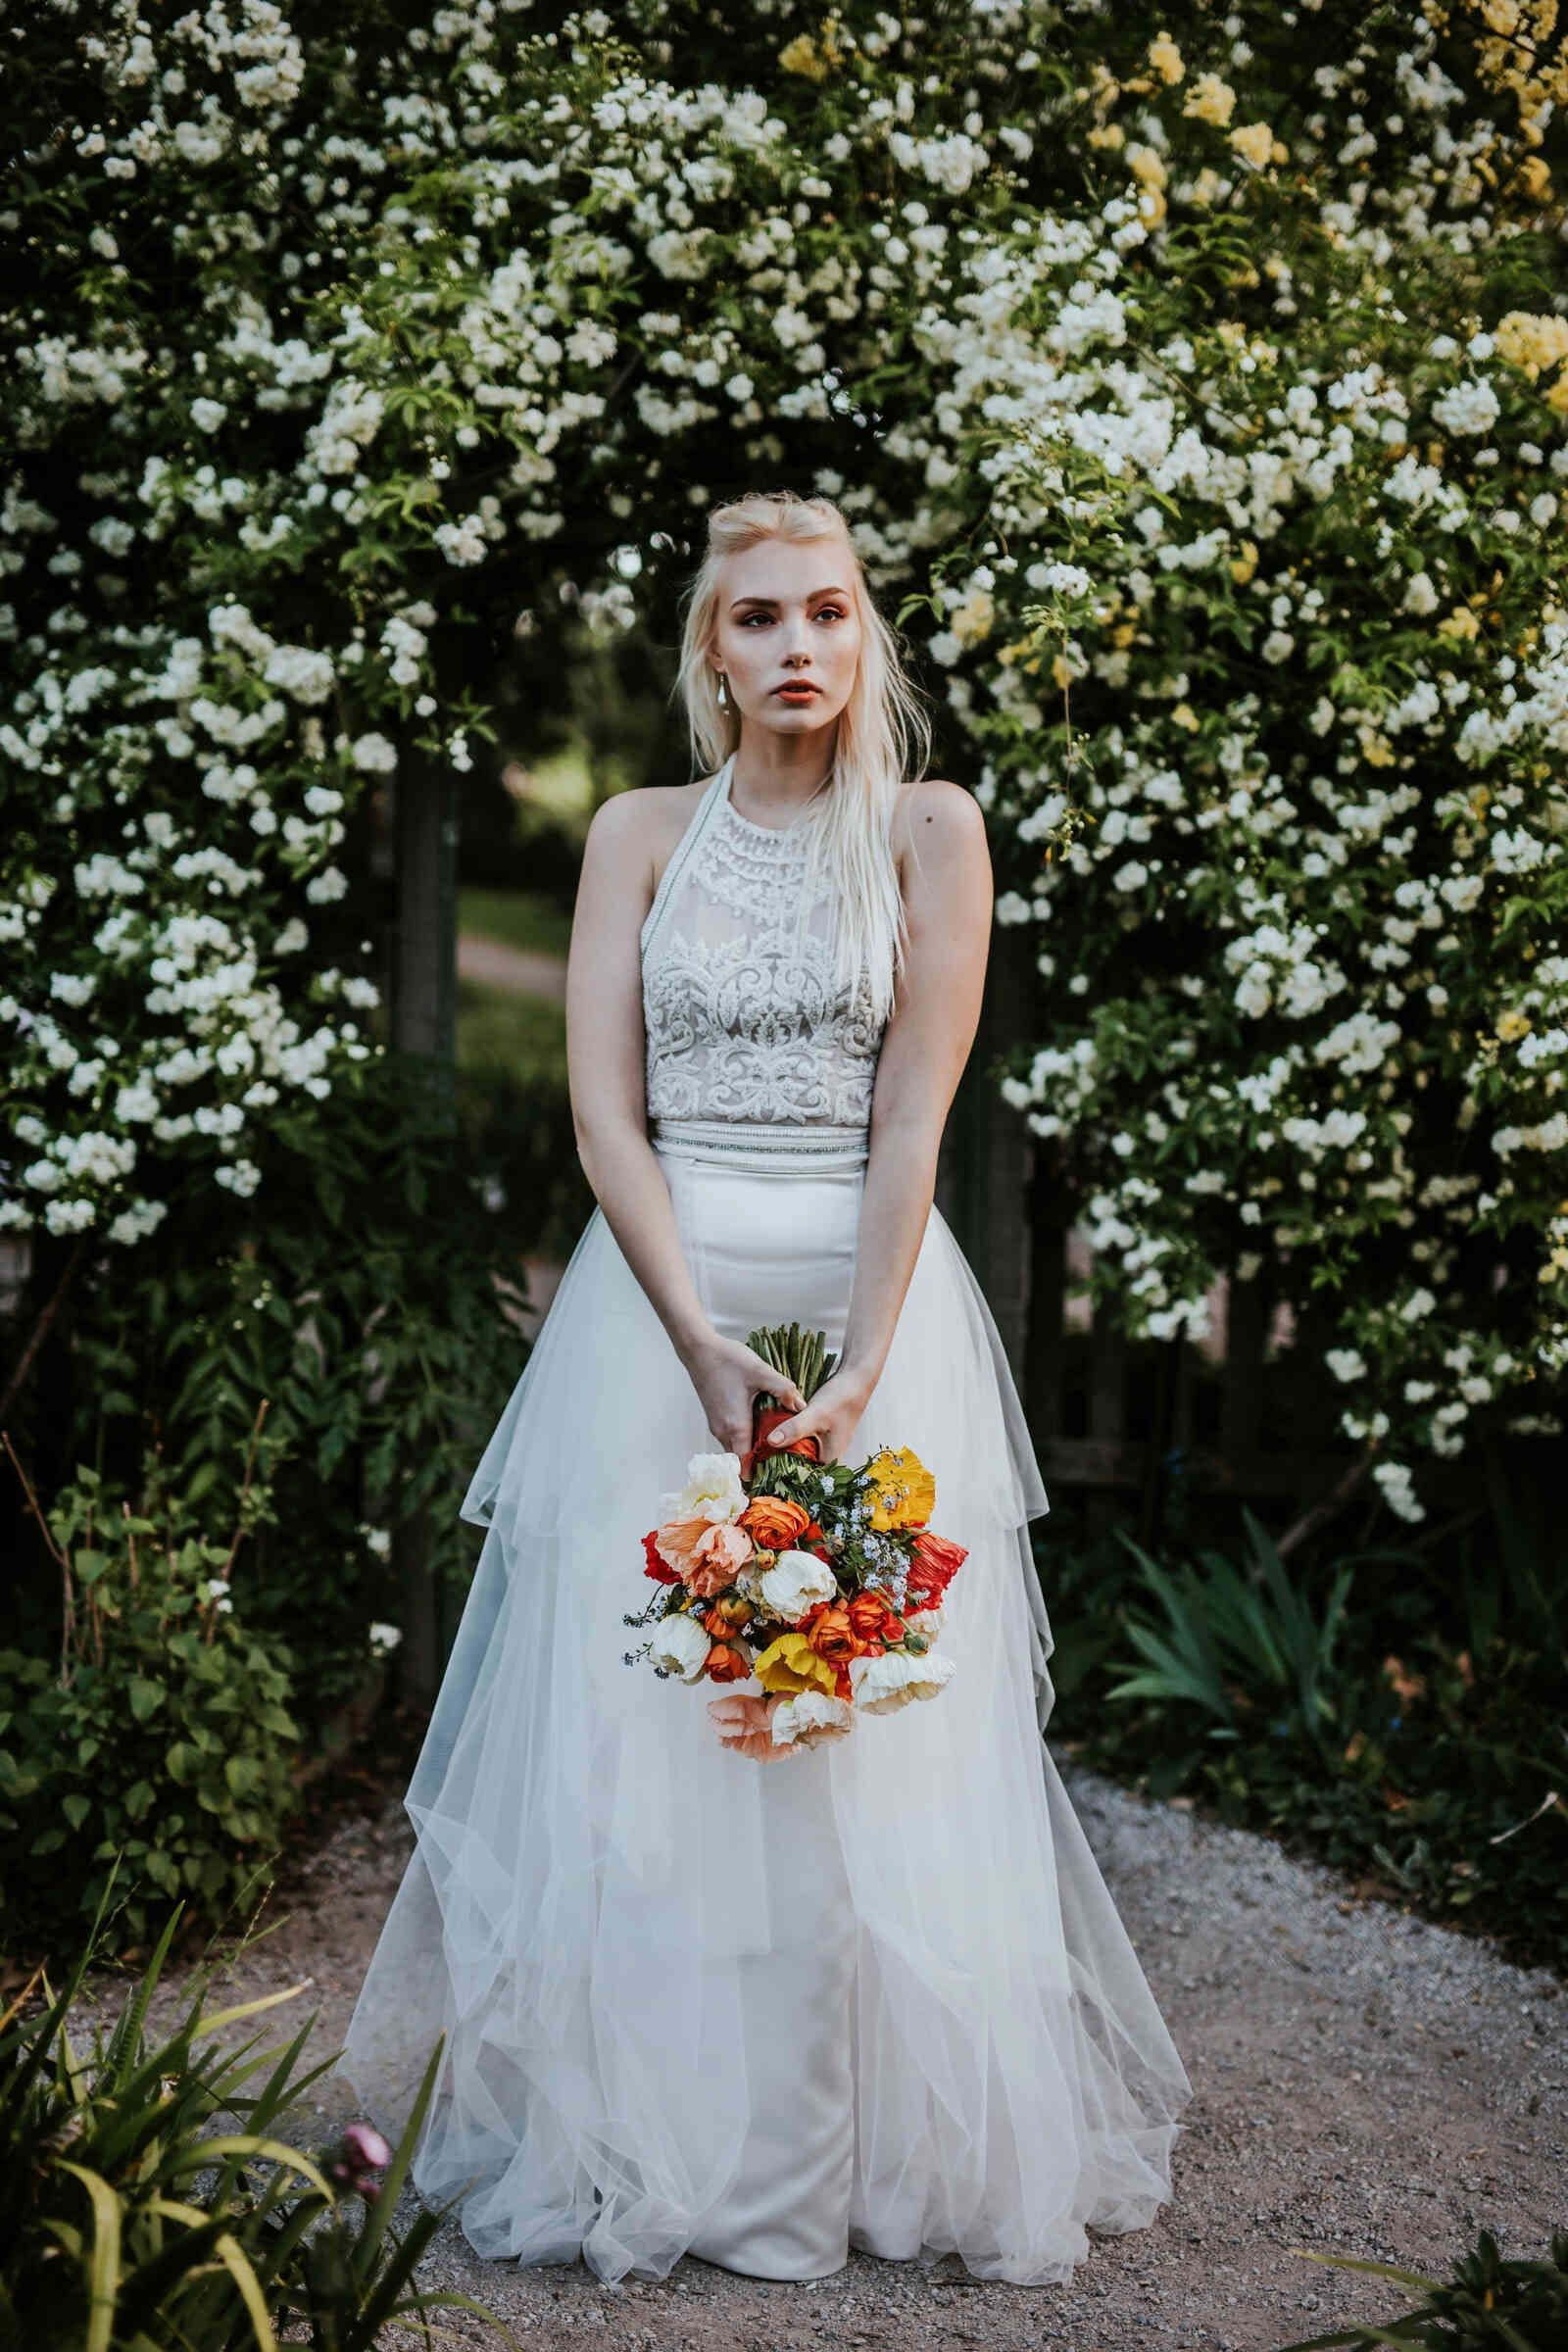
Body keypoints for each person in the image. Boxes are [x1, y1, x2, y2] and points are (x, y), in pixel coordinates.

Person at [337, 488, 1193, 2288]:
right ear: (707, 651)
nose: (799, 647)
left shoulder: (929, 830)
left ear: (867, 630)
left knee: (852, 1742)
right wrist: (692, 1336)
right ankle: (660, 2134)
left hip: (872, 1314)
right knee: (647, 1741)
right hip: (663, 1317)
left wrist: (864, 1360)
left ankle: (839, 2154)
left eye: (829, 613)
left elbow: (914, 1117)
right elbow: (600, 1115)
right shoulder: (642, 834)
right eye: (760, 621)